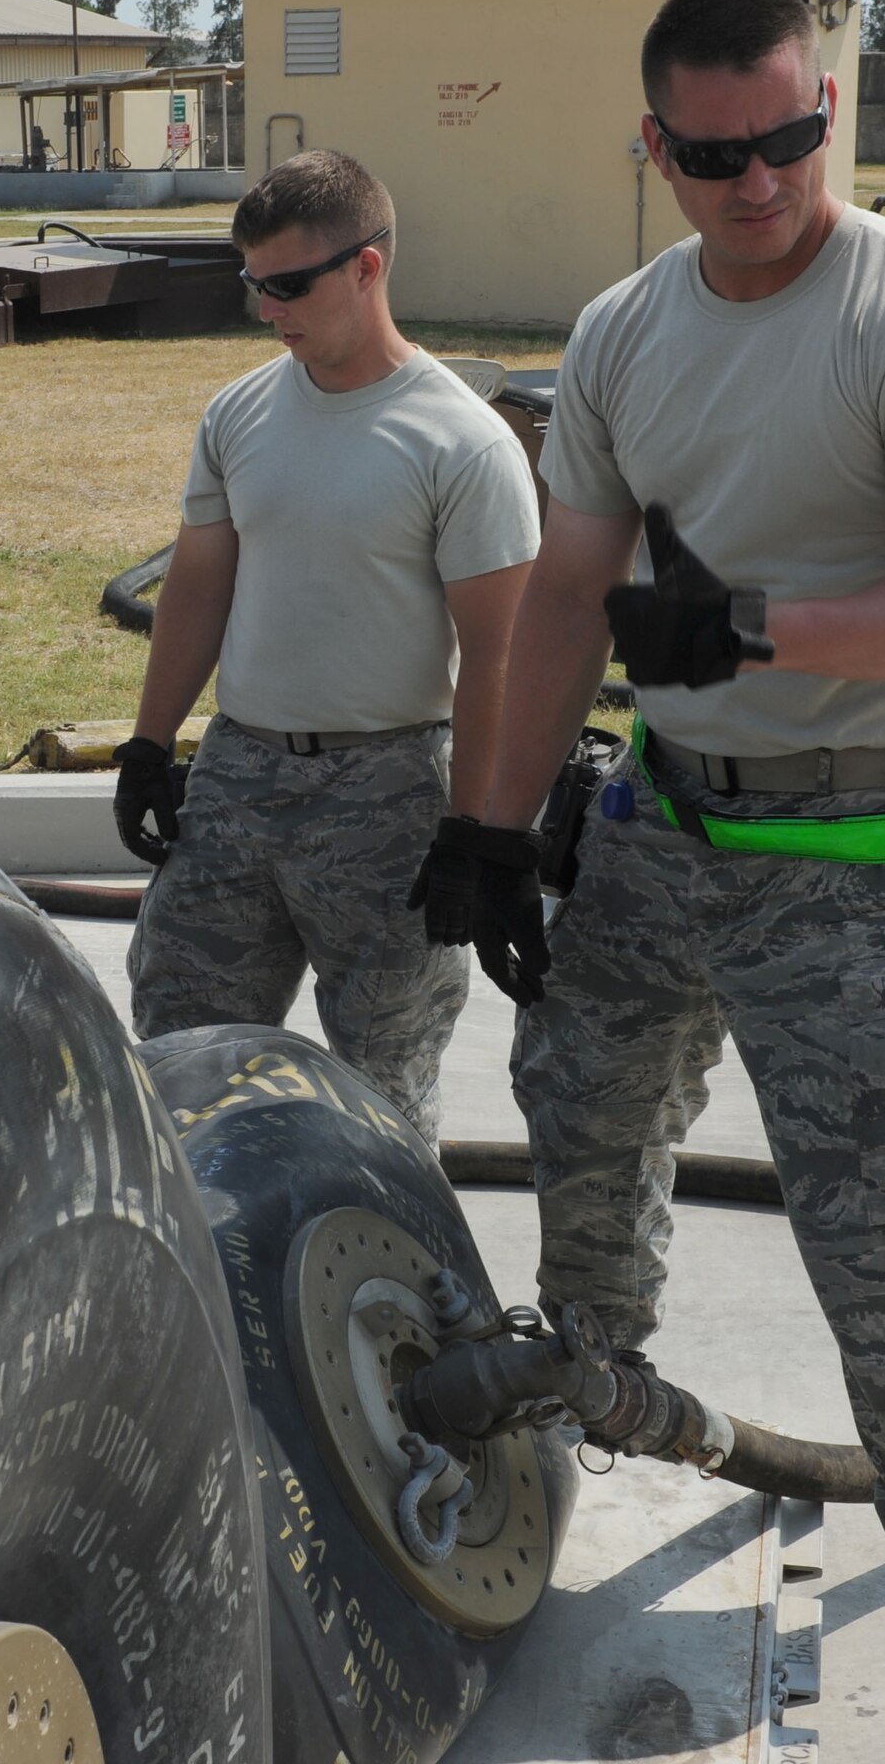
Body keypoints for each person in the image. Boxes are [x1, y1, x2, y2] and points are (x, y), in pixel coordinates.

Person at [431, 0, 885, 1762]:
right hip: (663, 824)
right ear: (657, 147)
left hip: (862, 852)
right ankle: (596, 1392)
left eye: (784, 140)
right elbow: (564, 593)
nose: (755, 183)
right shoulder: (631, 329)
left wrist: (758, 622)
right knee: (585, 1106)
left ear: (825, 117)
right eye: (713, 155)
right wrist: (495, 819)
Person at [113, 150, 540, 1147]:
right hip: (238, 776)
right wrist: (148, 742)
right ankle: (213, 1282)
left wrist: (474, 831)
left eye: (289, 284)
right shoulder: (240, 412)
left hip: (387, 795)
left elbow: (499, 657)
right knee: (182, 1052)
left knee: (381, 1085)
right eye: (253, 283)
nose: (268, 308)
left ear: (367, 267)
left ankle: (391, 1297)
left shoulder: (460, 443)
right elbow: (198, 586)